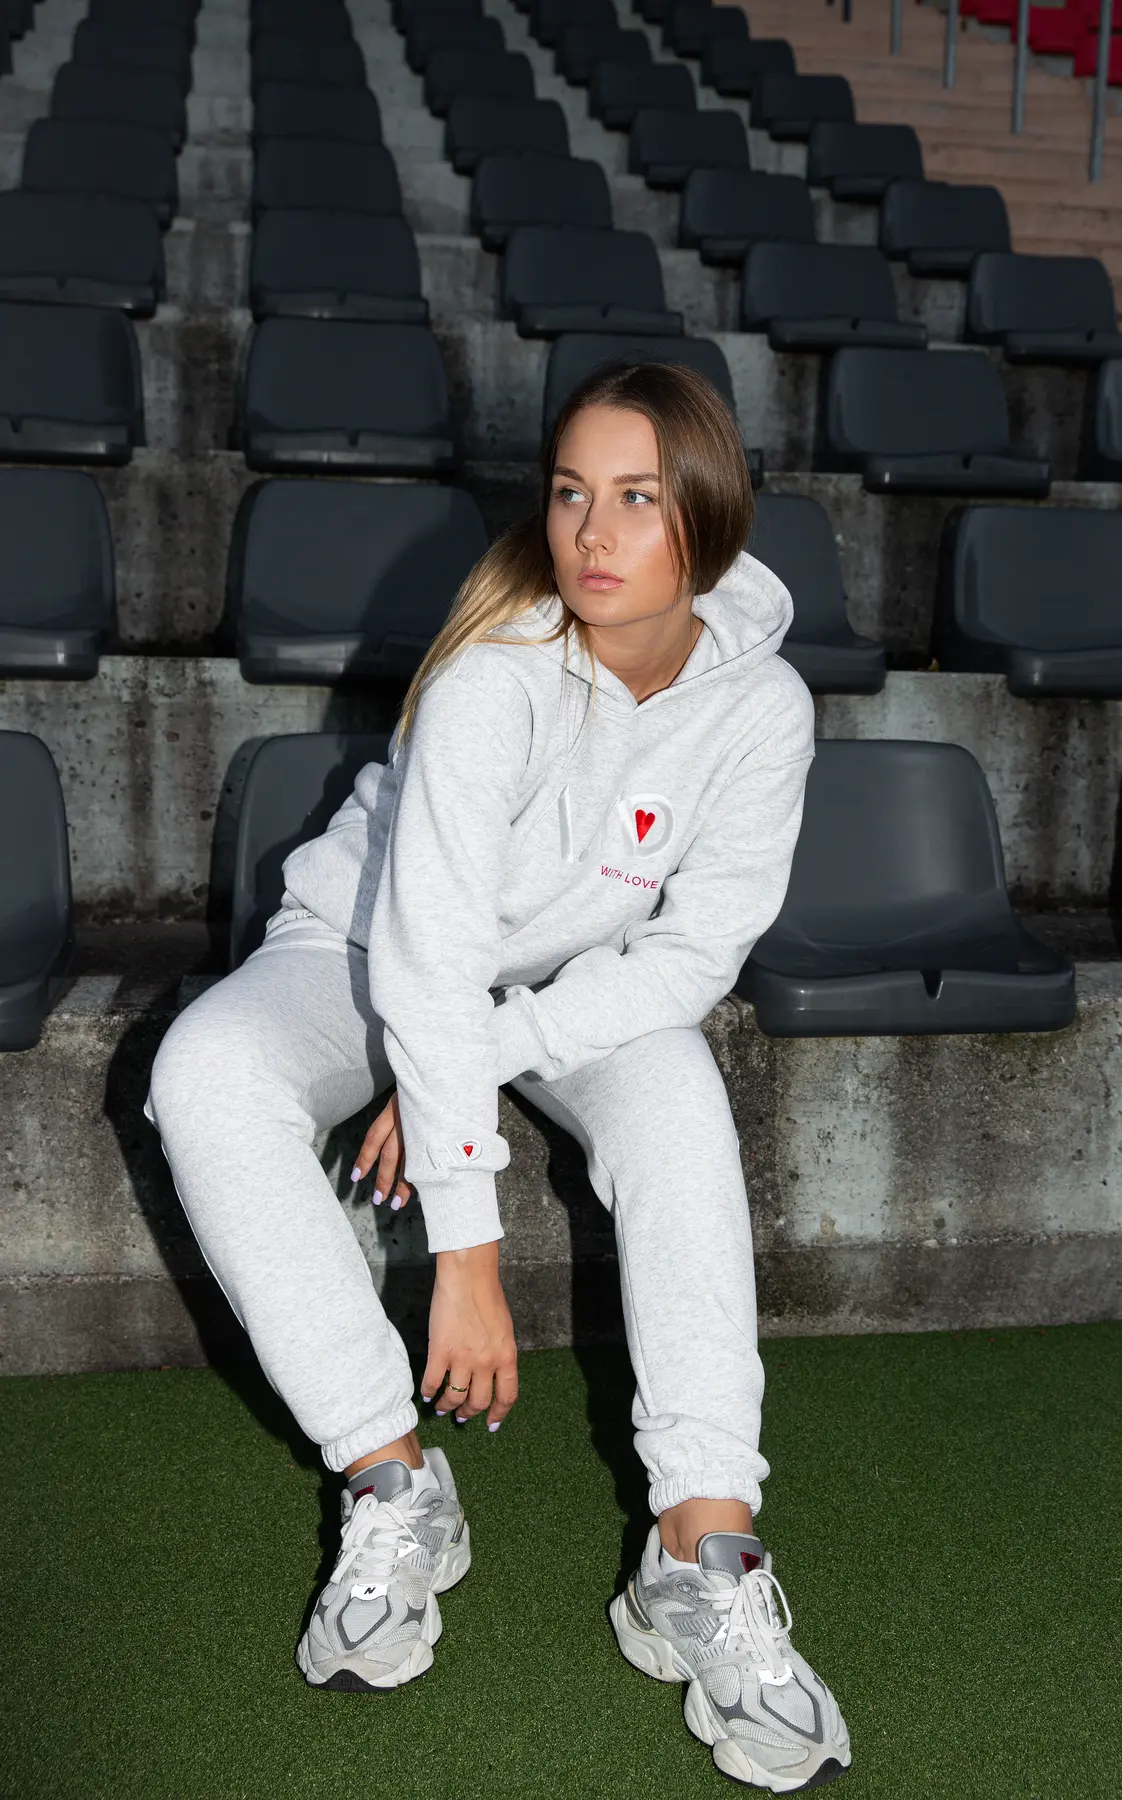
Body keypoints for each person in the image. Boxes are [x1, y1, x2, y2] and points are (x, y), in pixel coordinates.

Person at [145, 361, 850, 1792]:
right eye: (572, 492)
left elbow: (692, 955)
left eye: (638, 499)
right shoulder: (496, 674)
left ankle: (701, 1548)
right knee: (204, 1070)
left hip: (575, 984)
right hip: (369, 947)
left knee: (679, 1102)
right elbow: (425, 963)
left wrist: (480, 1060)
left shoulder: (764, 709)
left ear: (709, 517)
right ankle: (391, 1478)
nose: (592, 532)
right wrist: (462, 1252)